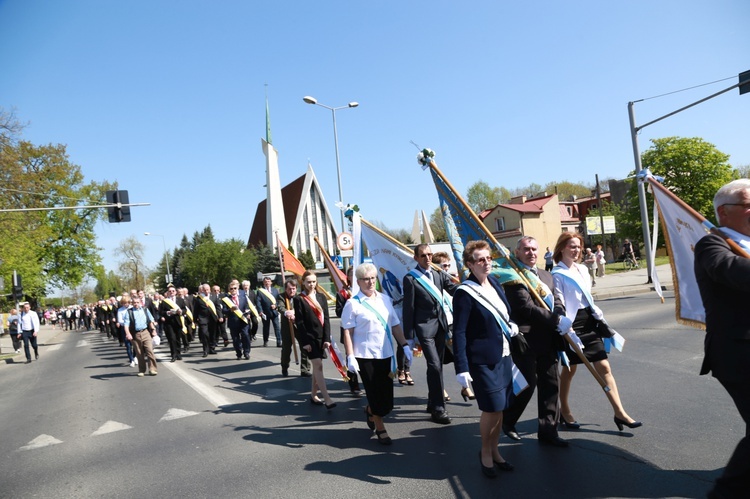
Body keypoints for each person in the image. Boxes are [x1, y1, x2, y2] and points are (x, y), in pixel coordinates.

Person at [551, 232, 641, 432]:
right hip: (571, 325)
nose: (576, 250)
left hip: (590, 323)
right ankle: (564, 409)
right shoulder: (556, 273)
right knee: (569, 369)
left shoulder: (583, 269)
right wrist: (567, 326)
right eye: (572, 246)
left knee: (604, 367)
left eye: (578, 246)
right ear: (562, 248)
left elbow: (586, 297)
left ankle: (619, 412)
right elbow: (558, 301)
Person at [694, 178, 750, 498]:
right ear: (724, 213)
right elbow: (728, 270)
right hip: (737, 351)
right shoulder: (712, 244)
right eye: (747, 205)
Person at [452, 240, 518, 478]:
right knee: (491, 409)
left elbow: (505, 313)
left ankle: (496, 450)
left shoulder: (495, 283)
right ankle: (485, 453)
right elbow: (459, 331)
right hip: (481, 360)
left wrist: (511, 325)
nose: (487, 262)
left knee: (501, 408)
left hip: (502, 355)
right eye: (481, 259)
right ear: (470, 264)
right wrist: (462, 367)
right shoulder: (464, 292)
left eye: (489, 258)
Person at [499, 236, 569, 447]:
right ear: (517, 252)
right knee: (527, 384)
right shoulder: (512, 275)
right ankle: (508, 421)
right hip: (527, 338)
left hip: (549, 337)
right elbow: (525, 307)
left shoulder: (546, 275)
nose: (531, 253)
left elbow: (557, 299)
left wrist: (560, 315)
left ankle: (548, 431)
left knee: (551, 385)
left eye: (534, 249)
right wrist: (556, 319)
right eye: (526, 249)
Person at [342, 263, 412, 445]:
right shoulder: (353, 304)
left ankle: (371, 411)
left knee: (387, 397)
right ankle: (380, 427)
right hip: (365, 356)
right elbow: (347, 332)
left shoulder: (384, 299)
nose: (370, 282)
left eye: (373, 278)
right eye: (366, 279)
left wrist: (404, 344)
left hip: (386, 353)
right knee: (374, 392)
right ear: (358, 282)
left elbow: (394, 324)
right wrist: (350, 356)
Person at [402, 244, 458, 424]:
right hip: (424, 328)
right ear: (416, 258)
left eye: (429, 255)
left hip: (441, 327)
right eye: (423, 255)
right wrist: (409, 337)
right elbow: (408, 309)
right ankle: (439, 408)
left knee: (438, 366)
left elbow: (454, 290)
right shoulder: (411, 279)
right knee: (434, 365)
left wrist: (472, 285)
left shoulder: (439, 274)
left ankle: (431, 400)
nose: (428, 258)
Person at [294, 270, 335, 409]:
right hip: (309, 338)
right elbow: (299, 323)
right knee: (318, 365)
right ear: (303, 283)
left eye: (313, 281)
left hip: (321, 337)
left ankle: (313, 394)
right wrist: (304, 342)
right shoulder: (299, 299)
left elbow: (327, 319)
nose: (311, 284)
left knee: (317, 367)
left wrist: (327, 338)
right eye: (308, 282)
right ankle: (327, 398)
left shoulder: (322, 297)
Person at [278, 278, 311, 377]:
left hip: (300, 326)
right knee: (286, 349)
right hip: (287, 327)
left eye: (293, 288)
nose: (291, 291)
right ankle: (284, 367)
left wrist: (295, 313)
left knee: (305, 346)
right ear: (286, 289)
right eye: (289, 289)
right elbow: (280, 307)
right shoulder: (281, 297)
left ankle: (305, 369)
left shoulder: (300, 297)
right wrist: (287, 312)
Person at [335, 267, 361, 393]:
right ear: (348, 277)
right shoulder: (342, 294)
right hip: (348, 330)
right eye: (351, 274)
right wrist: (349, 303)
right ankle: (354, 384)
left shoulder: (363, 291)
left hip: (362, 329)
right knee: (351, 356)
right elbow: (338, 312)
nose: (354, 276)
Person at [123, 296, 158, 376]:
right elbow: (126, 325)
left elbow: (150, 320)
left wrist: (153, 330)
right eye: (134, 303)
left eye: (137, 302)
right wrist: (128, 334)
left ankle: (152, 369)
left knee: (149, 350)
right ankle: (142, 370)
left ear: (140, 303)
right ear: (132, 303)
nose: (136, 304)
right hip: (135, 334)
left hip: (145, 332)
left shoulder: (145, 309)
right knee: (139, 353)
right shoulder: (129, 312)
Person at [222, 279, 253, 360]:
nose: (233, 290)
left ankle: (246, 352)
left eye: (235, 288)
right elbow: (224, 310)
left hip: (243, 319)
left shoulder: (243, 296)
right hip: (233, 321)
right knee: (235, 339)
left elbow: (247, 306)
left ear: (238, 288)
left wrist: (248, 313)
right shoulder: (226, 299)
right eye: (231, 289)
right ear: (229, 290)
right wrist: (230, 310)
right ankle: (238, 353)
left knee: (245, 335)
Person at [194, 283, 221, 357]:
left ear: (210, 289)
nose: (206, 291)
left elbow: (218, 307)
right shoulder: (199, 298)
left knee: (212, 334)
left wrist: (220, 316)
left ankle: (212, 348)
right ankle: (205, 350)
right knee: (204, 334)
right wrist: (195, 320)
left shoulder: (214, 296)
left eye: (207, 289)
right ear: (202, 290)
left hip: (213, 318)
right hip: (203, 319)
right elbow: (195, 310)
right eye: (204, 290)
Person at [159, 285, 184, 362]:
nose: (171, 292)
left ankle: (178, 353)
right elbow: (161, 312)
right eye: (170, 291)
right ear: (168, 292)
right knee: (172, 339)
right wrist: (168, 312)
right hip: (169, 323)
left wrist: (181, 312)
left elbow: (184, 309)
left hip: (178, 321)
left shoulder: (180, 300)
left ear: (175, 292)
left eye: (173, 291)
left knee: (178, 339)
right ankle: (173, 355)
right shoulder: (164, 301)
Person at [257, 276, 281, 347]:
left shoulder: (275, 290)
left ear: (271, 282)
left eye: (268, 281)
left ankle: (279, 341)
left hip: (274, 312)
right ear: (263, 283)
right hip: (265, 312)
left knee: (277, 327)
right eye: (265, 282)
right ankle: (265, 341)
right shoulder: (260, 291)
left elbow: (278, 300)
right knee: (266, 328)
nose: (267, 283)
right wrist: (260, 311)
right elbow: (258, 302)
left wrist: (276, 305)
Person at [116, 295, 137, 368]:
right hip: (124, 328)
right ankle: (131, 360)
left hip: (133, 328)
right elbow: (120, 320)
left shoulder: (132, 308)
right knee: (128, 346)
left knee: (135, 344)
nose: (126, 304)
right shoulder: (120, 310)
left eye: (127, 303)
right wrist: (126, 323)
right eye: (124, 303)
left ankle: (134, 356)